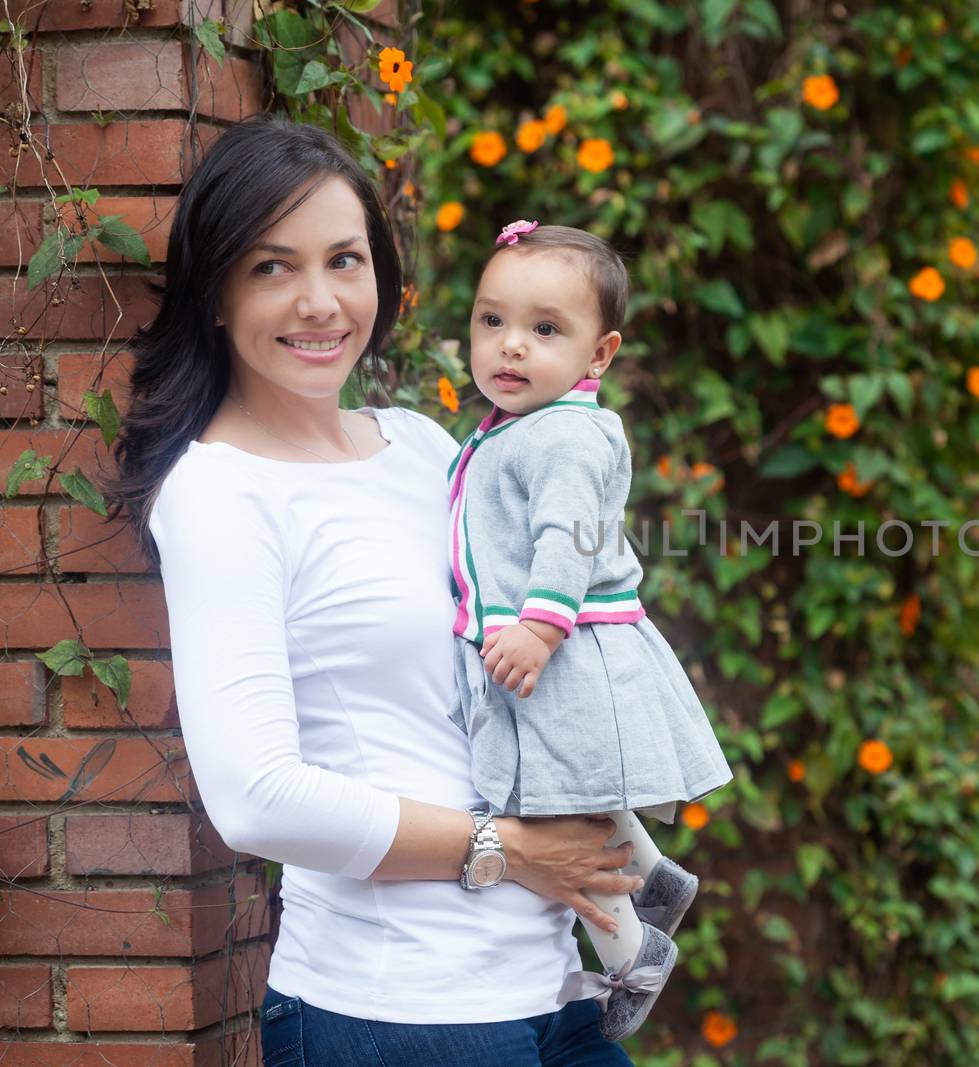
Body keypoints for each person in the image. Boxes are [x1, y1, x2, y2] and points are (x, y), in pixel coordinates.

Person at [108, 116, 639, 1066]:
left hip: (551, 982)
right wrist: (509, 847)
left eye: (344, 260)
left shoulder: (425, 446)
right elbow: (258, 798)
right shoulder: (220, 493)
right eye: (273, 267)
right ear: (217, 295)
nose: (319, 302)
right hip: (398, 1010)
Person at [447, 219, 732, 1040]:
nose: (509, 346)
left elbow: (564, 539)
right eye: (491, 321)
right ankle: (657, 879)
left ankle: (631, 953)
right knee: (577, 795)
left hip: (561, 648)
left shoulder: (565, 432)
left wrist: (537, 627)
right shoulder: (521, 424)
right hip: (557, 650)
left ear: (597, 355)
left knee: (555, 810)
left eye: (544, 330)